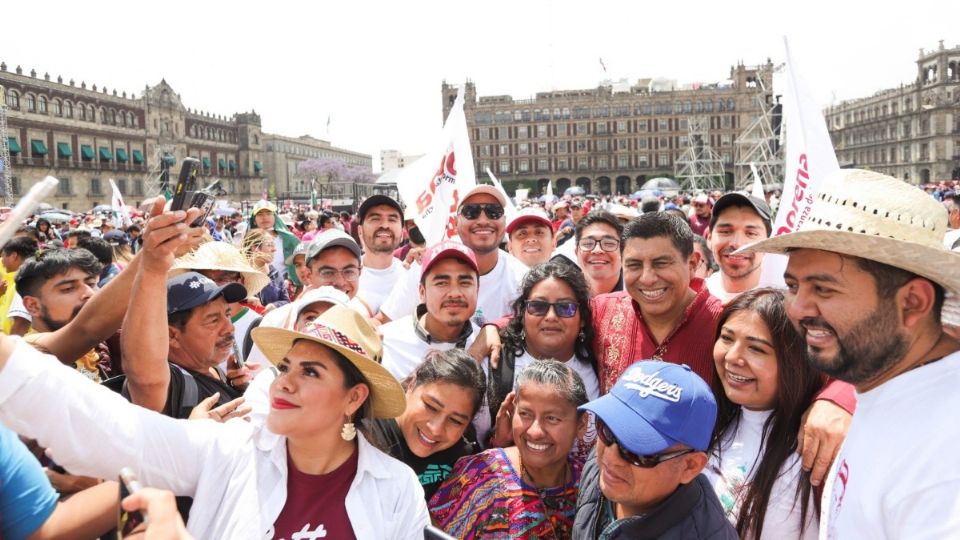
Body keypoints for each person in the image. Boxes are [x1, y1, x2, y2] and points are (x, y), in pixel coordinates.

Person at [0, 302, 429, 539]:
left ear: (353, 397)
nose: (284, 384)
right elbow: (115, 431)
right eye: (285, 367)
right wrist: (9, 360)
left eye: (310, 372)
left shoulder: (394, 488)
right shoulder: (228, 450)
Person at [738, 169, 960, 538]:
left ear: (913, 302)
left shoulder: (945, 455)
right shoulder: (885, 387)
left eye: (823, 289)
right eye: (792, 285)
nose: (796, 308)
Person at [706, 288, 823, 539]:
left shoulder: (809, 451)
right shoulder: (711, 422)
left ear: (794, 362)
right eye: (726, 338)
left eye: (756, 349)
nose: (733, 357)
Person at [573, 360, 736, 539]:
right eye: (607, 429)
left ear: (690, 466)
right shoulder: (600, 466)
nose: (611, 456)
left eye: (637, 451)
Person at [430, 359, 588, 539]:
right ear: (512, 411)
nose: (535, 431)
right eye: (525, 414)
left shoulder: (590, 484)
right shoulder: (480, 477)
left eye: (552, 418)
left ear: (581, 424)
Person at [592, 212, 721, 391]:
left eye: (661, 263)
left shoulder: (724, 324)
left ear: (692, 264)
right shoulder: (600, 311)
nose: (647, 278)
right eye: (634, 265)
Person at [482, 261, 600, 448]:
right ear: (522, 314)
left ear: (583, 318)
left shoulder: (600, 361)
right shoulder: (495, 367)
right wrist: (499, 443)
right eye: (538, 306)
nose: (551, 316)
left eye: (565, 307)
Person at [378, 184, 527, 327]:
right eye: (471, 212)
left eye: (494, 212)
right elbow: (383, 321)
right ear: (456, 222)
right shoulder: (426, 264)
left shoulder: (522, 279)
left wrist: (496, 327)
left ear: (504, 220)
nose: (483, 221)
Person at [366, 349, 485, 500]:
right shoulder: (364, 435)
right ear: (412, 384)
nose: (436, 429)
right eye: (431, 407)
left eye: (455, 420)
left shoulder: (462, 460)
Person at [381, 241, 480, 381]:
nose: (454, 293)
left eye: (465, 283)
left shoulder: (488, 349)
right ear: (422, 292)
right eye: (442, 283)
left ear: (477, 290)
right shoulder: (386, 342)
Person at [169, 241, 271, 370]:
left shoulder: (259, 330)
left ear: (241, 281)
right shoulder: (180, 324)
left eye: (224, 279)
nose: (213, 285)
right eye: (203, 278)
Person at [705, 193, 777, 304]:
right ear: (709, 238)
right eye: (725, 232)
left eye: (751, 233)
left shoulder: (782, 303)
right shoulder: (695, 297)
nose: (737, 244)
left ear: (769, 243)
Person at [355, 195, 405, 315]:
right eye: (375, 218)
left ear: (402, 233)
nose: (385, 225)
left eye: (392, 219)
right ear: (360, 231)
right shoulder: (344, 278)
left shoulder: (412, 278)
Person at [304, 229, 369, 315]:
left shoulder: (363, 313)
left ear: (359, 272)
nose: (340, 282)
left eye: (349, 271)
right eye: (328, 273)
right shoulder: (288, 322)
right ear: (308, 275)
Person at [574, 211, 623, 297]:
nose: (597, 250)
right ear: (576, 252)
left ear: (623, 252)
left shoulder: (639, 300)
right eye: (588, 243)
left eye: (608, 243)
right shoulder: (563, 298)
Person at [242, 228, 290, 314]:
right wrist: (245, 298)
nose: (274, 249)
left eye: (273, 245)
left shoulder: (275, 273)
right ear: (255, 248)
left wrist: (275, 305)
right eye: (269, 245)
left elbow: (286, 301)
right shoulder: (240, 273)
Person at [1, 236, 38, 336]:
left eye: (4, 256)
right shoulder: (26, 276)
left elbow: (21, 323)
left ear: (14, 256)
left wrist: (9, 349)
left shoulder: (25, 280)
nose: (2, 261)